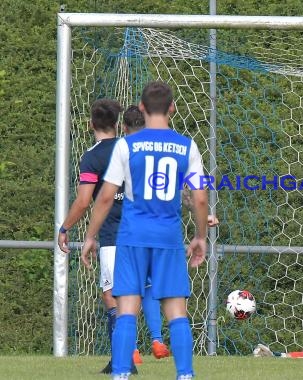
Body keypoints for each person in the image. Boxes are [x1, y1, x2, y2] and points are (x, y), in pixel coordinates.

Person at [81, 81, 209, 380]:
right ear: (172, 107)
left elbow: (104, 196)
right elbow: (200, 197)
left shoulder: (127, 145)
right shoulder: (187, 145)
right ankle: (185, 375)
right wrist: (200, 236)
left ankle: (121, 374)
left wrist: (90, 236)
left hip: (132, 236)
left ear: (140, 107)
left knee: (127, 307)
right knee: (176, 311)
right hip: (168, 236)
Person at [56, 98, 140, 374]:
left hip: (113, 236)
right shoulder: (130, 148)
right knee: (134, 296)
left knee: (111, 297)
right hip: (141, 233)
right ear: (117, 124)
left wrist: (65, 228)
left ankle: (122, 360)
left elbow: (83, 201)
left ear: (91, 124)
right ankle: (125, 357)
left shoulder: (92, 157)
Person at [121, 105, 171, 365]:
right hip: (159, 230)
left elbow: (109, 194)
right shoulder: (160, 149)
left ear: (124, 127)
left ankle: (131, 349)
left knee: (126, 289)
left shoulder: (123, 151)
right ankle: (157, 339)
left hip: (128, 230)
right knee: (151, 287)